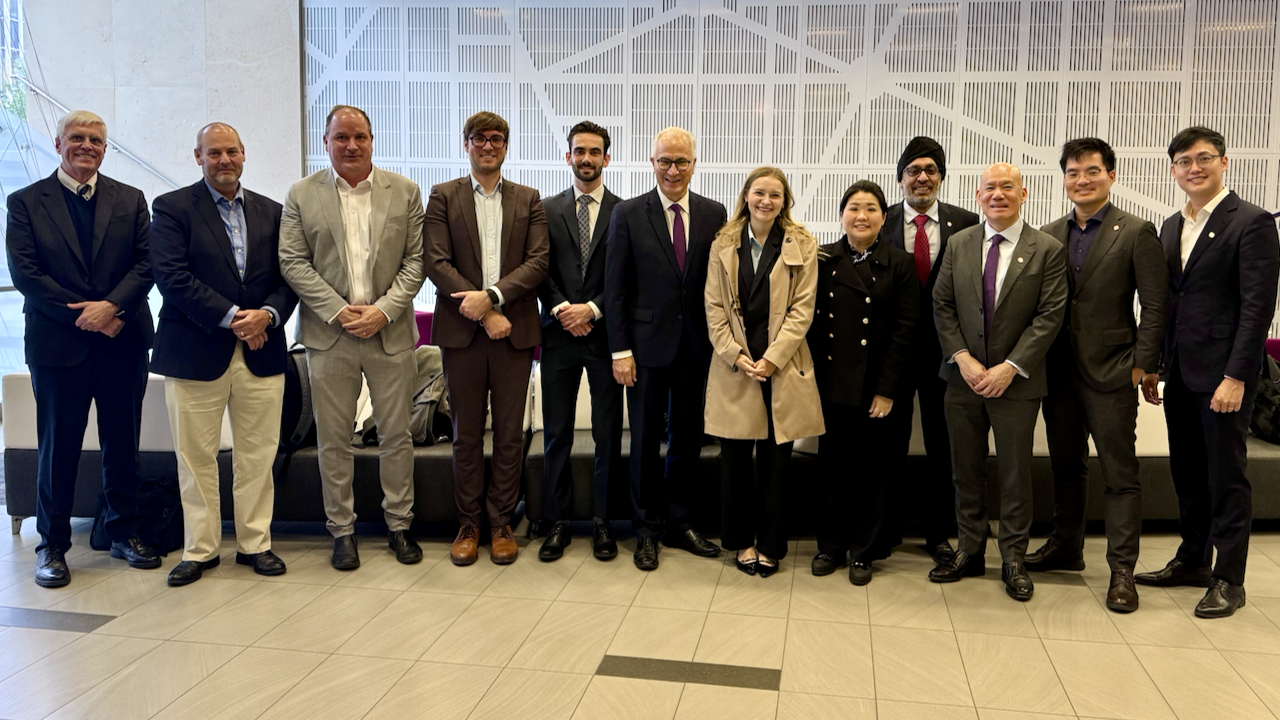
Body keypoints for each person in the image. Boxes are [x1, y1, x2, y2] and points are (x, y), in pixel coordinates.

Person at [6, 110, 159, 588]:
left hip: (122, 340)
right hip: (58, 346)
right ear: (58, 144)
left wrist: (112, 308)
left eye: (95, 139)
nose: (86, 146)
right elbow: (27, 274)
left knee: (123, 443)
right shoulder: (25, 202)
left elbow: (146, 263)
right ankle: (51, 546)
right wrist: (86, 316)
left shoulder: (131, 199)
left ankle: (123, 532)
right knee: (59, 448)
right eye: (77, 137)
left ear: (105, 149)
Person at [1136, 126, 1280, 618]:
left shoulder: (1251, 222)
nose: (1193, 168)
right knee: (1188, 472)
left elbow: (1257, 308)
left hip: (1224, 376)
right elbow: (1167, 303)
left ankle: (1228, 579)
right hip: (1180, 371)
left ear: (1223, 162)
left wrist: (1237, 376)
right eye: (1183, 161)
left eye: (1203, 158)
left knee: (1226, 477)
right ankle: (1193, 559)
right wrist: (1155, 364)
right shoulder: (1171, 225)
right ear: (1173, 170)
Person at [150, 122, 299, 586]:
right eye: (213, 153)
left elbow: (290, 277)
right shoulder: (172, 208)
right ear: (198, 157)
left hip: (262, 350)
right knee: (195, 457)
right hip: (195, 350)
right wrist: (236, 317)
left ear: (244, 153)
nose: (224, 160)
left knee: (258, 454)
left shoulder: (273, 211)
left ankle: (255, 543)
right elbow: (171, 277)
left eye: (231, 151)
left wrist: (267, 316)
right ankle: (200, 549)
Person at [279, 105, 426, 571]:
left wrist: (382, 310)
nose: (351, 145)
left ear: (372, 140)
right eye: (341, 137)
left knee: (396, 436)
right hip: (329, 335)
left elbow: (417, 261)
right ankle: (341, 531)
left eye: (359, 136)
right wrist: (339, 311)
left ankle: (399, 525)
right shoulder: (302, 194)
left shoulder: (404, 191)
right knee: (334, 440)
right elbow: (293, 261)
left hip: (390, 332)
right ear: (326, 142)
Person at [1028, 137, 1167, 613]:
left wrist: (1143, 365)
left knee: (1119, 473)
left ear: (1111, 175)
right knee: (1066, 465)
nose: (1082, 180)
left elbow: (1155, 305)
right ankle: (1066, 547)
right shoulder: (1048, 234)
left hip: (1114, 371)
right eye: (1073, 172)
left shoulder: (1136, 231)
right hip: (1058, 371)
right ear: (1063, 179)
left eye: (1092, 171)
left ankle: (1122, 570)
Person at [929, 162, 1068, 602]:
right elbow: (942, 304)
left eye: (1007, 187)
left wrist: (1011, 366)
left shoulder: (1046, 249)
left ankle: (1013, 558)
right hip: (962, 381)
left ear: (1023, 195)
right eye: (989, 188)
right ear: (978, 196)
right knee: (965, 470)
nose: (998, 194)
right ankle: (969, 550)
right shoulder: (959, 243)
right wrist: (962, 358)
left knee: (1014, 474)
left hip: (1017, 385)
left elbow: (1050, 316)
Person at [425, 111, 549, 566]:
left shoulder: (528, 199)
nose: (488, 146)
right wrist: (483, 314)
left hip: (514, 333)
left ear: (506, 146)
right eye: (479, 138)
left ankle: (500, 523)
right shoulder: (443, 196)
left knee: (511, 435)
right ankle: (469, 524)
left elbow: (538, 262)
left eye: (497, 139)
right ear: (466, 144)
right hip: (462, 335)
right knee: (466, 435)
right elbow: (436, 262)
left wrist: (492, 299)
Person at [605, 126, 728, 570]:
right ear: (652, 163)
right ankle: (646, 529)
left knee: (688, 440)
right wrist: (620, 350)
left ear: (695, 164)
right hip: (643, 350)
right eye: (664, 161)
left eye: (681, 162)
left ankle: (680, 522)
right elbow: (615, 288)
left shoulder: (715, 213)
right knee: (642, 443)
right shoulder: (627, 213)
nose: (673, 170)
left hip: (696, 347)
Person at [704, 167, 823, 578]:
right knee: (735, 461)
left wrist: (772, 358)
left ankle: (771, 544)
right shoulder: (723, 242)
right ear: (746, 196)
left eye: (775, 195)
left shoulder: (802, 244)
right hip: (735, 365)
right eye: (759, 193)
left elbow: (802, 310)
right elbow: (713, 308)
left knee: (776, 462)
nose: (766, 201)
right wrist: (735, 354)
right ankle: (742, 542)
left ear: (784, 200)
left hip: (781, 365)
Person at [808, 180, 919, 585]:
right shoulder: (823, 258)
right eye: (854, 207)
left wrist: (886, 390)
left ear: (884, 217)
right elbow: (810, 324)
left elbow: (906, 331)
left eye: (871, 208)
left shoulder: (900, 263)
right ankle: (830, 545)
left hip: (879, 388)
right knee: (832, 469)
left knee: (875, 472)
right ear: (841, 215)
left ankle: (864, 551)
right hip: (832, 384)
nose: (862, 216)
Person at [877, 137, 979, 568]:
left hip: (947, 353)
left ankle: (940, 533)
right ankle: (883, 532)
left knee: (944, 445)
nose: (922, 177)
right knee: (887, 444)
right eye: (913, 170)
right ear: (900, 178)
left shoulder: (967, 223)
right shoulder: (879, 219)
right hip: (891, 355)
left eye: (931, 170)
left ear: (941, 177)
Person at [535, 121, 623, 562]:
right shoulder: (544, 210)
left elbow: (626, 276)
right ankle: (558, 522)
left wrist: (591, 309)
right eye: (579, 151)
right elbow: (537, 268)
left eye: (594, 152)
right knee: (557, 435)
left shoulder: (625, 212)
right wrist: (562, 310)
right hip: (558, 336)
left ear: (607, 158)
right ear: (567, 156)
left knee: (607, 436)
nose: (586, 159)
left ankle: (603, 522)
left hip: (606, 337)